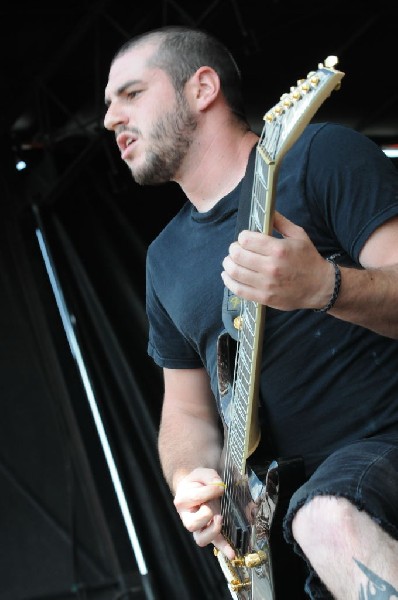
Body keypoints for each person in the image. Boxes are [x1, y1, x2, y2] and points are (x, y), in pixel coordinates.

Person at [104, 25, 398, 599]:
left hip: (379, 455)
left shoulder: (317, 155)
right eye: (109, 105)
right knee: (314, 518)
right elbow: (187, 413)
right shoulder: (163, 258)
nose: (111, 118)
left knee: (326, 516)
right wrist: (191, 479)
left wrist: (325, 286)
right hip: (283, 518)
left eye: (131, 95)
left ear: (203, 87)